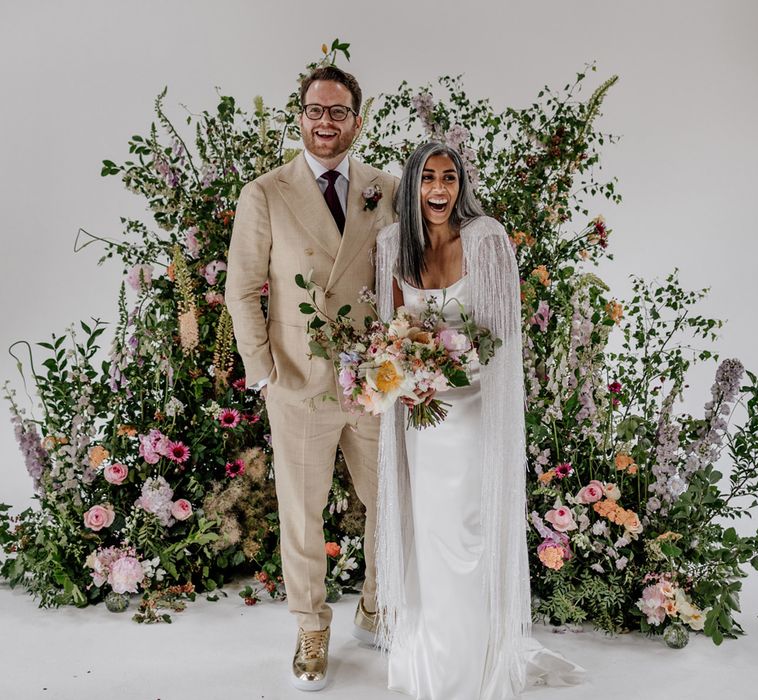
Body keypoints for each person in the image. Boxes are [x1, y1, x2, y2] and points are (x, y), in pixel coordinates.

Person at [375, 142, 585, 699]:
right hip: (422, 416)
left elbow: (501, 337)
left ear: (461, 184)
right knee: (428, 528)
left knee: (466, 531)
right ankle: (430, 656)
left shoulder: (486, 239)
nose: (439, 190)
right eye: (427, 179)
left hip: (470, 413)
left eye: (448, 178)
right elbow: (391, 332)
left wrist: (449, 368)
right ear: (412, 186)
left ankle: (472, 663)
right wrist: (405, 370)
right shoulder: (392, 245)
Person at [225, 65, 398, 691]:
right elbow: (242, 289)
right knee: (303, 515)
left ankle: (380, 609)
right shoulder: (266, 192)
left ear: (358, 118)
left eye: (338, 111)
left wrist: (412, 358)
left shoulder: (389, 187)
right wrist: (263, 372)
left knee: (390, 502)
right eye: (314, 110)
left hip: (376, 379)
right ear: (299, 115)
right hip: (299, 380)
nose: (326, 122)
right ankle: (311, 627)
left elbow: (405, 280)